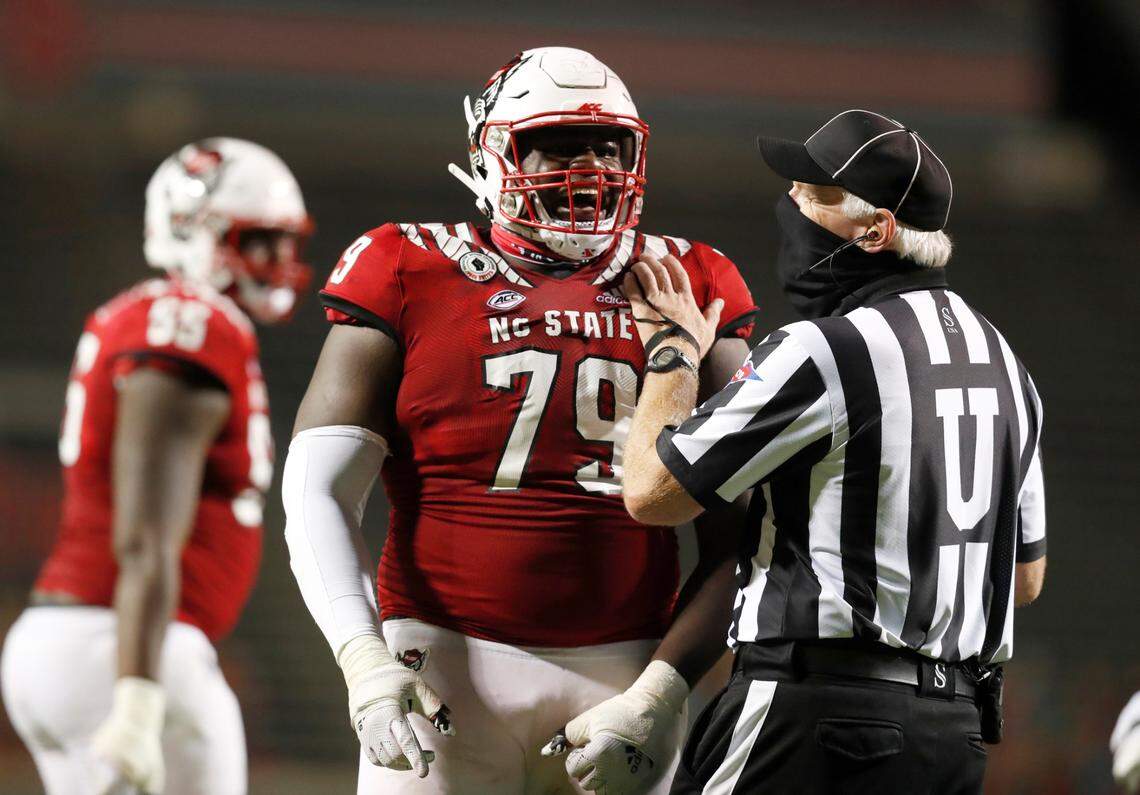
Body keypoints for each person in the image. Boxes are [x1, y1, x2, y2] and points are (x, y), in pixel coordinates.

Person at [282, 47, 758, 794]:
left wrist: (666, 691)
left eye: (610, 145)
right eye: (562, 143)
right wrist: (362, 656)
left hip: (626, 670)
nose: (593, 166)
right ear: (494, 151)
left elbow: (754, 527)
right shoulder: (406, 264)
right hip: (440, 660)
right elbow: (316, 488)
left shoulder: (690, 281)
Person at [618, 109, 1046, 794]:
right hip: (955, 734)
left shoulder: (827, 348)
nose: (791, 202)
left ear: (874, 230)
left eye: (812, 195)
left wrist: (671, 353)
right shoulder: (1006, 363)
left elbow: (650, 492)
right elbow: (1024, 579)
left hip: (817, 716)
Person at [0, 138, 313, 795]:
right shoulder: (189, 326)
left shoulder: (143, 315)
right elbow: (145, 531)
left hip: (86, 639)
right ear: (192, 229)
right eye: (259, 240)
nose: (279, 262)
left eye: (285, 242)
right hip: (121, 642)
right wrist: (139, 695)